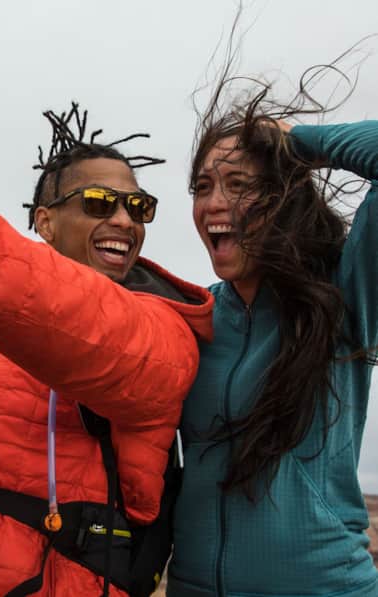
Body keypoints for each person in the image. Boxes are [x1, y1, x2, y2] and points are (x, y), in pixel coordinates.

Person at [0, 103, 213, 597]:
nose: (125, 220)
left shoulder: (163, 330)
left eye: (138, 207)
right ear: (45, 222)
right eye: (101, 203)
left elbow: (81, 322)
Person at [167, 80, 378, 595]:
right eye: (202, 187)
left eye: (239, 184)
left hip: (324, 586)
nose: (214, 203)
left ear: (284, 198)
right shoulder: (191, 318)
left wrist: (296, 143)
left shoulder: (342, 298)